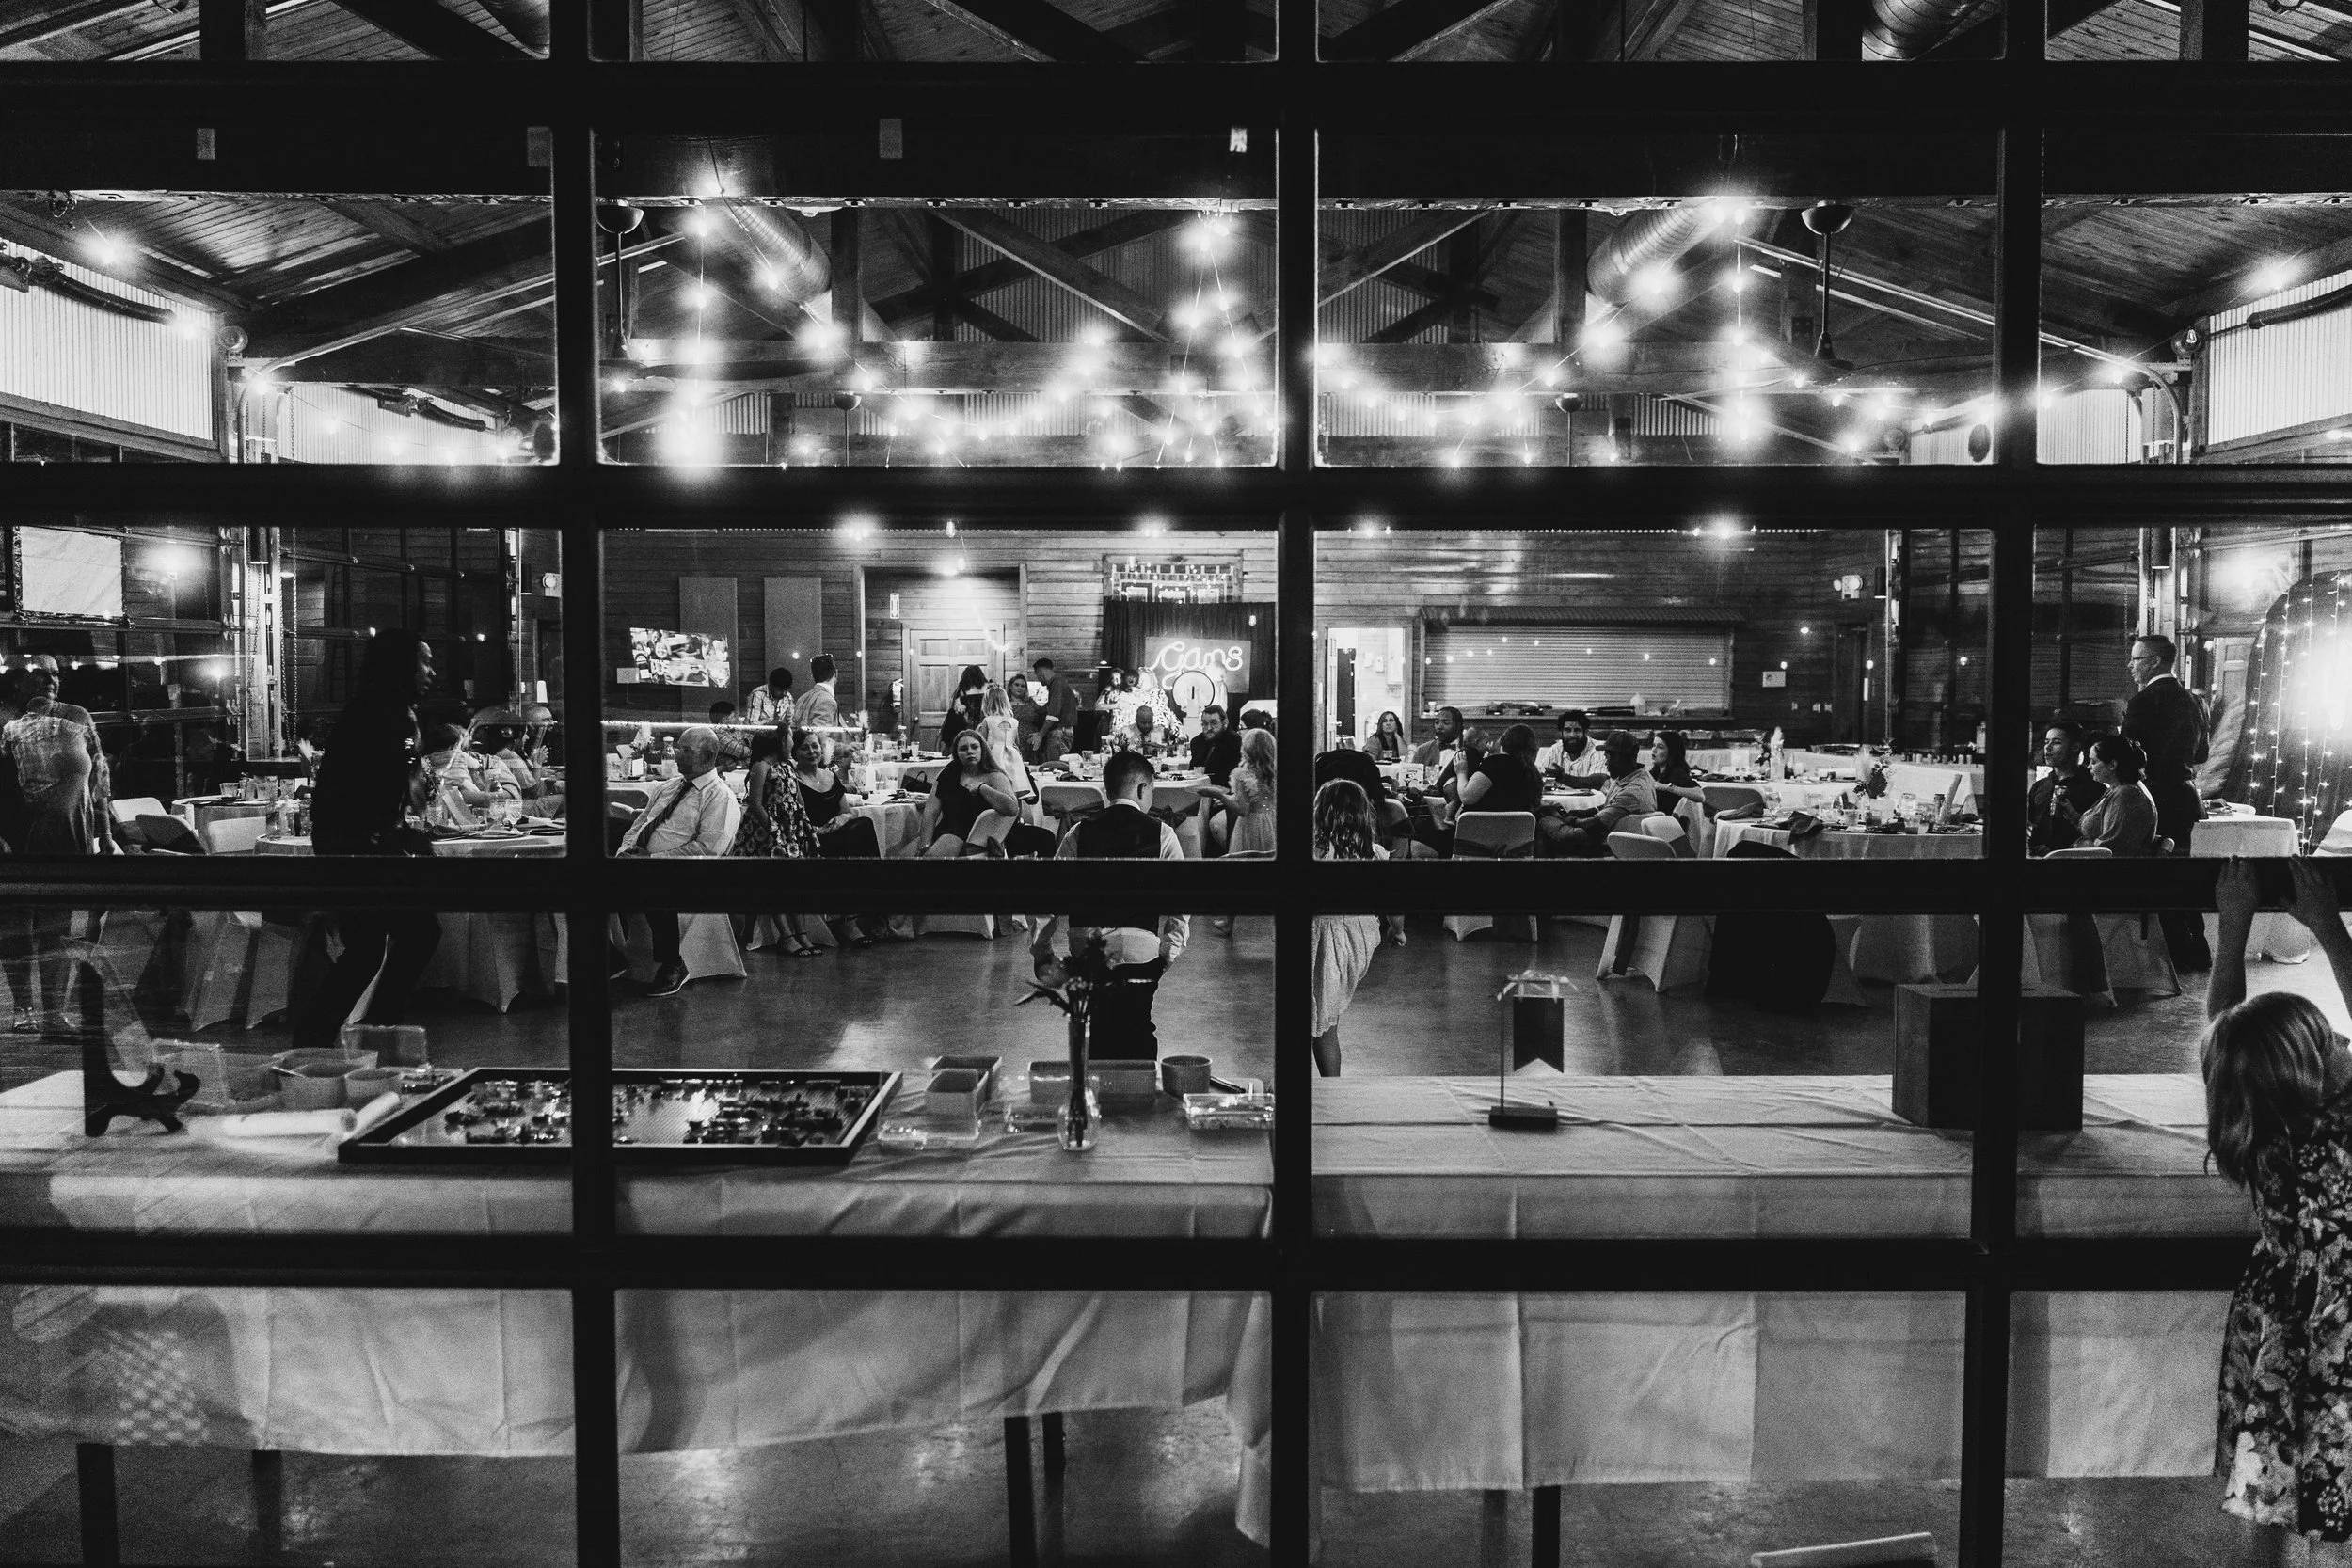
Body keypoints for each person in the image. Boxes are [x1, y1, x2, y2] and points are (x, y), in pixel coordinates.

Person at [2205, 858, 2352, 1562]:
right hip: (2345, 1313)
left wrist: (2231, 930)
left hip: (2279, 1308)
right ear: (2312, 1060)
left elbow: (2223, 1028)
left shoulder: (2250, 1110)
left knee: (2270, 1457)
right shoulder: (2343, 1115)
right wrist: (2328, 927)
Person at [292, 630, 441, 1049]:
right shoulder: (378, 716)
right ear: (400, 667)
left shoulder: (384, 711)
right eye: (423, 662)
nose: (431, 672)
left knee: (373, 947)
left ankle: (332, 1035)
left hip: (359, 848)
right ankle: (367, 1032)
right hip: (360, 851)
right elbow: (367, 791)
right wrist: (398, 835)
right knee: (408, 936)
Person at [1031, 750, 1188, 1061]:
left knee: (1099, 1027)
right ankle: (1138, 1088)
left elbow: (1048, 892)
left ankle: (1100, 1088)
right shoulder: (1162, 833)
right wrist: (1168, 953)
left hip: (1088, 946)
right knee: (1139, 1026)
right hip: (1140, 947)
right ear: (1143, 789)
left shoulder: (1079, 832)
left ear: (1106, 790)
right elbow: (1181, 899)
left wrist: (1042, 950)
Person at [613, 726, 740, 999]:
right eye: (679, 747)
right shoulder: (668, 787)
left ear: (707, 756)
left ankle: (673, 963)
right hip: (644, 861)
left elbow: (709, 849)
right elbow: (641, 822)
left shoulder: (720, 797)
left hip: (690, 871)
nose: (676, 754)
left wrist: (654, 860)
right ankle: (608, 954)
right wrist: (626, 849)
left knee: (654, 882)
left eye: (685, 750)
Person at [2125, 632, 2213, 969]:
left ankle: (2173, 955)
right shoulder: (2195, 701)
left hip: (2155, 800)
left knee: (2159, 877)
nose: (2131, 667)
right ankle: (2197, 950)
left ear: (2154, 661)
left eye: (2135, 660)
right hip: (2186, 798)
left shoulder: (2144, 701)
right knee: (2183, 875)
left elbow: (2130, 756)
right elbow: (2201, 753)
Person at [728, 726, 829, 958]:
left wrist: (803, 824)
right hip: (768, 834)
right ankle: (786, 935)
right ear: (778, 742)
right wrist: (774, 830)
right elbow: (755, 803)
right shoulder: (761, 767)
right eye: (790, 740)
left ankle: (802, 933)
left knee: (795, 884)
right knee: (774, 884)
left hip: (791, 830)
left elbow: (798, 799)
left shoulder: (787, 767)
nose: (792, 745)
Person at [1311, 779, 1386, 1077]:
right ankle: (1330, 1087)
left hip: (1325, 940)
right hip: (1359, 940)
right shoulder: (1375, 853)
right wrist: (1398, 929)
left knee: (1319, 1024)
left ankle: (1328, 1088)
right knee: (1325, 1022)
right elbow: (1392, 899)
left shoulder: (1317, 853)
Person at [1536, 730, 1658, 858]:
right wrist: (1573, 813)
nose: (1605, 763)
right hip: (1615, 835)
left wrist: (1567, 818)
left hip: (1606, 843)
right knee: (1552, 814)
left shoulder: (1632, 792)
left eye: (1607, 758)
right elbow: (1610, 809)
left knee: (1543, 819)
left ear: (1618, 757)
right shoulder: (1641, 776)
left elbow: (1594, 825)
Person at [921, 728, 1022, 857]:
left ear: (983, 750)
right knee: (905, 852)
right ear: (957, 754)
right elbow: (931, 812)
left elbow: (1012, 808)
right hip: (943, 831)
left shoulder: (994, 776)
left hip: (971, 838)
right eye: (963, 749)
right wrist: (924, 845)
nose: (970, 752)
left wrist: (983, 788)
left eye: (974, 747)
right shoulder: (948, 773)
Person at [2029, 720, 2106, 856]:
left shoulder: (2095, 789)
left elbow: (2100, 835)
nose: (2048, 747)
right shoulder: (2040, 786)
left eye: (2056, 742)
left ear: (2075, 747)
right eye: (2046, 742)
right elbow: (2031, 825)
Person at [2074, 735, 2159, 856]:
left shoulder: (2128, 795)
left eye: (2094, 762)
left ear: (2112, 765)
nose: (2088, 766)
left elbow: (2110, 850)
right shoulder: (2116, 790)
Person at [1457, 722, 1545, 816]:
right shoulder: (1534, 774)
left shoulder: (1495, 763)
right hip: (1518, 829)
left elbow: (1467, 797)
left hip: (1479, 827)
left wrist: (1461, 772)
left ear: (1503, 743)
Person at [1537, 709, 1607, 785]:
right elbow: (1542, 777)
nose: (1572, 735)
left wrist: (1563, 778)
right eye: (1568, 730)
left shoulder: (1599, 749)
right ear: (1561, 733)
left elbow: (1597, 782)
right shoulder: (1555, 749)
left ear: (1586, 732)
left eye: (1577, 730)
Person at [1029, 657, 1079, 763]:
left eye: (1037, 675)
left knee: (1055, 766)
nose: (1038, 678)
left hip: (1059, 733)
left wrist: (1040, 735)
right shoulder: (1059, 683)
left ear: (1040, 672)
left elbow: (1053, 715)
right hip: (1063, 732)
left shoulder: (1056, 684)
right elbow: (1051, 708)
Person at [1189, 704, 1244, 786]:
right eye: (1205, 724)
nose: (1209, 728)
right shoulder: (1197, 742)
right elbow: (1192, 772)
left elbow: (1230, 778)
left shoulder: (1235, 742)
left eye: (1214, 723)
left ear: (1225, 723)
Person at [938, 664, 988, 754]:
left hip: (966, 725)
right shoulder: (987, 688)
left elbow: (956, 710)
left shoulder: (963, 691)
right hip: (983, 723)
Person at [1649, 731, 1705, 806]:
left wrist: (1667, 787)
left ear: (1671, 752)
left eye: (1660, 747)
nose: (1654, 750)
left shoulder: (1676, 772)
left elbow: (1700, 796)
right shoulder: (1655, 772)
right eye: (1653, 745)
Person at [794, 653, 840, 731]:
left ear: (813, 676)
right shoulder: (827, 701)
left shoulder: (802, 698)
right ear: (835, 673)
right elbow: (820, 736)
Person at [1411, 706, 1464, 772]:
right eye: (1437, 722)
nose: (1439, 727)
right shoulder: (1422, 750)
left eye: (1446, 723)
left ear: (1458, 726)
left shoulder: (1468, 750)